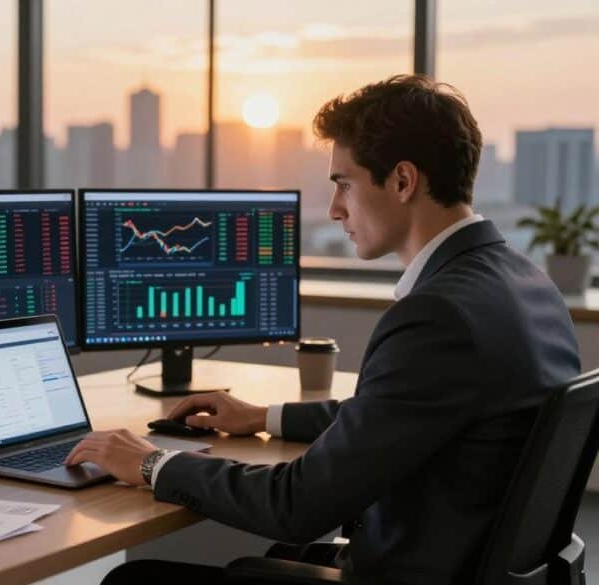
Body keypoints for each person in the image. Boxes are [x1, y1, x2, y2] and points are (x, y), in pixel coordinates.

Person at [64, 75, 581, 585]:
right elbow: (398, 411)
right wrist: (264, 416)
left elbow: (296, 504)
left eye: (344, 184)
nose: (335, 209)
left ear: (403, 181)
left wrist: (154, 464)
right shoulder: (526, 284)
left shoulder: (439, 317)